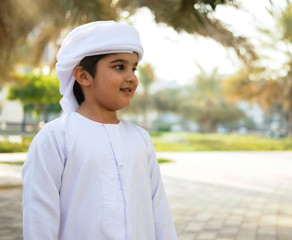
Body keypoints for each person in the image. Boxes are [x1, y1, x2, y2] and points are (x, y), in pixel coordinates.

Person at [22, 20, 178, 240]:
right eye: (119, 66)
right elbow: (39, 221)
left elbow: (160, 213)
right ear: (83, 76)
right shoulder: (56, 138)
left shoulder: (140, 139)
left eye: (133, 68)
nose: (132, 77)